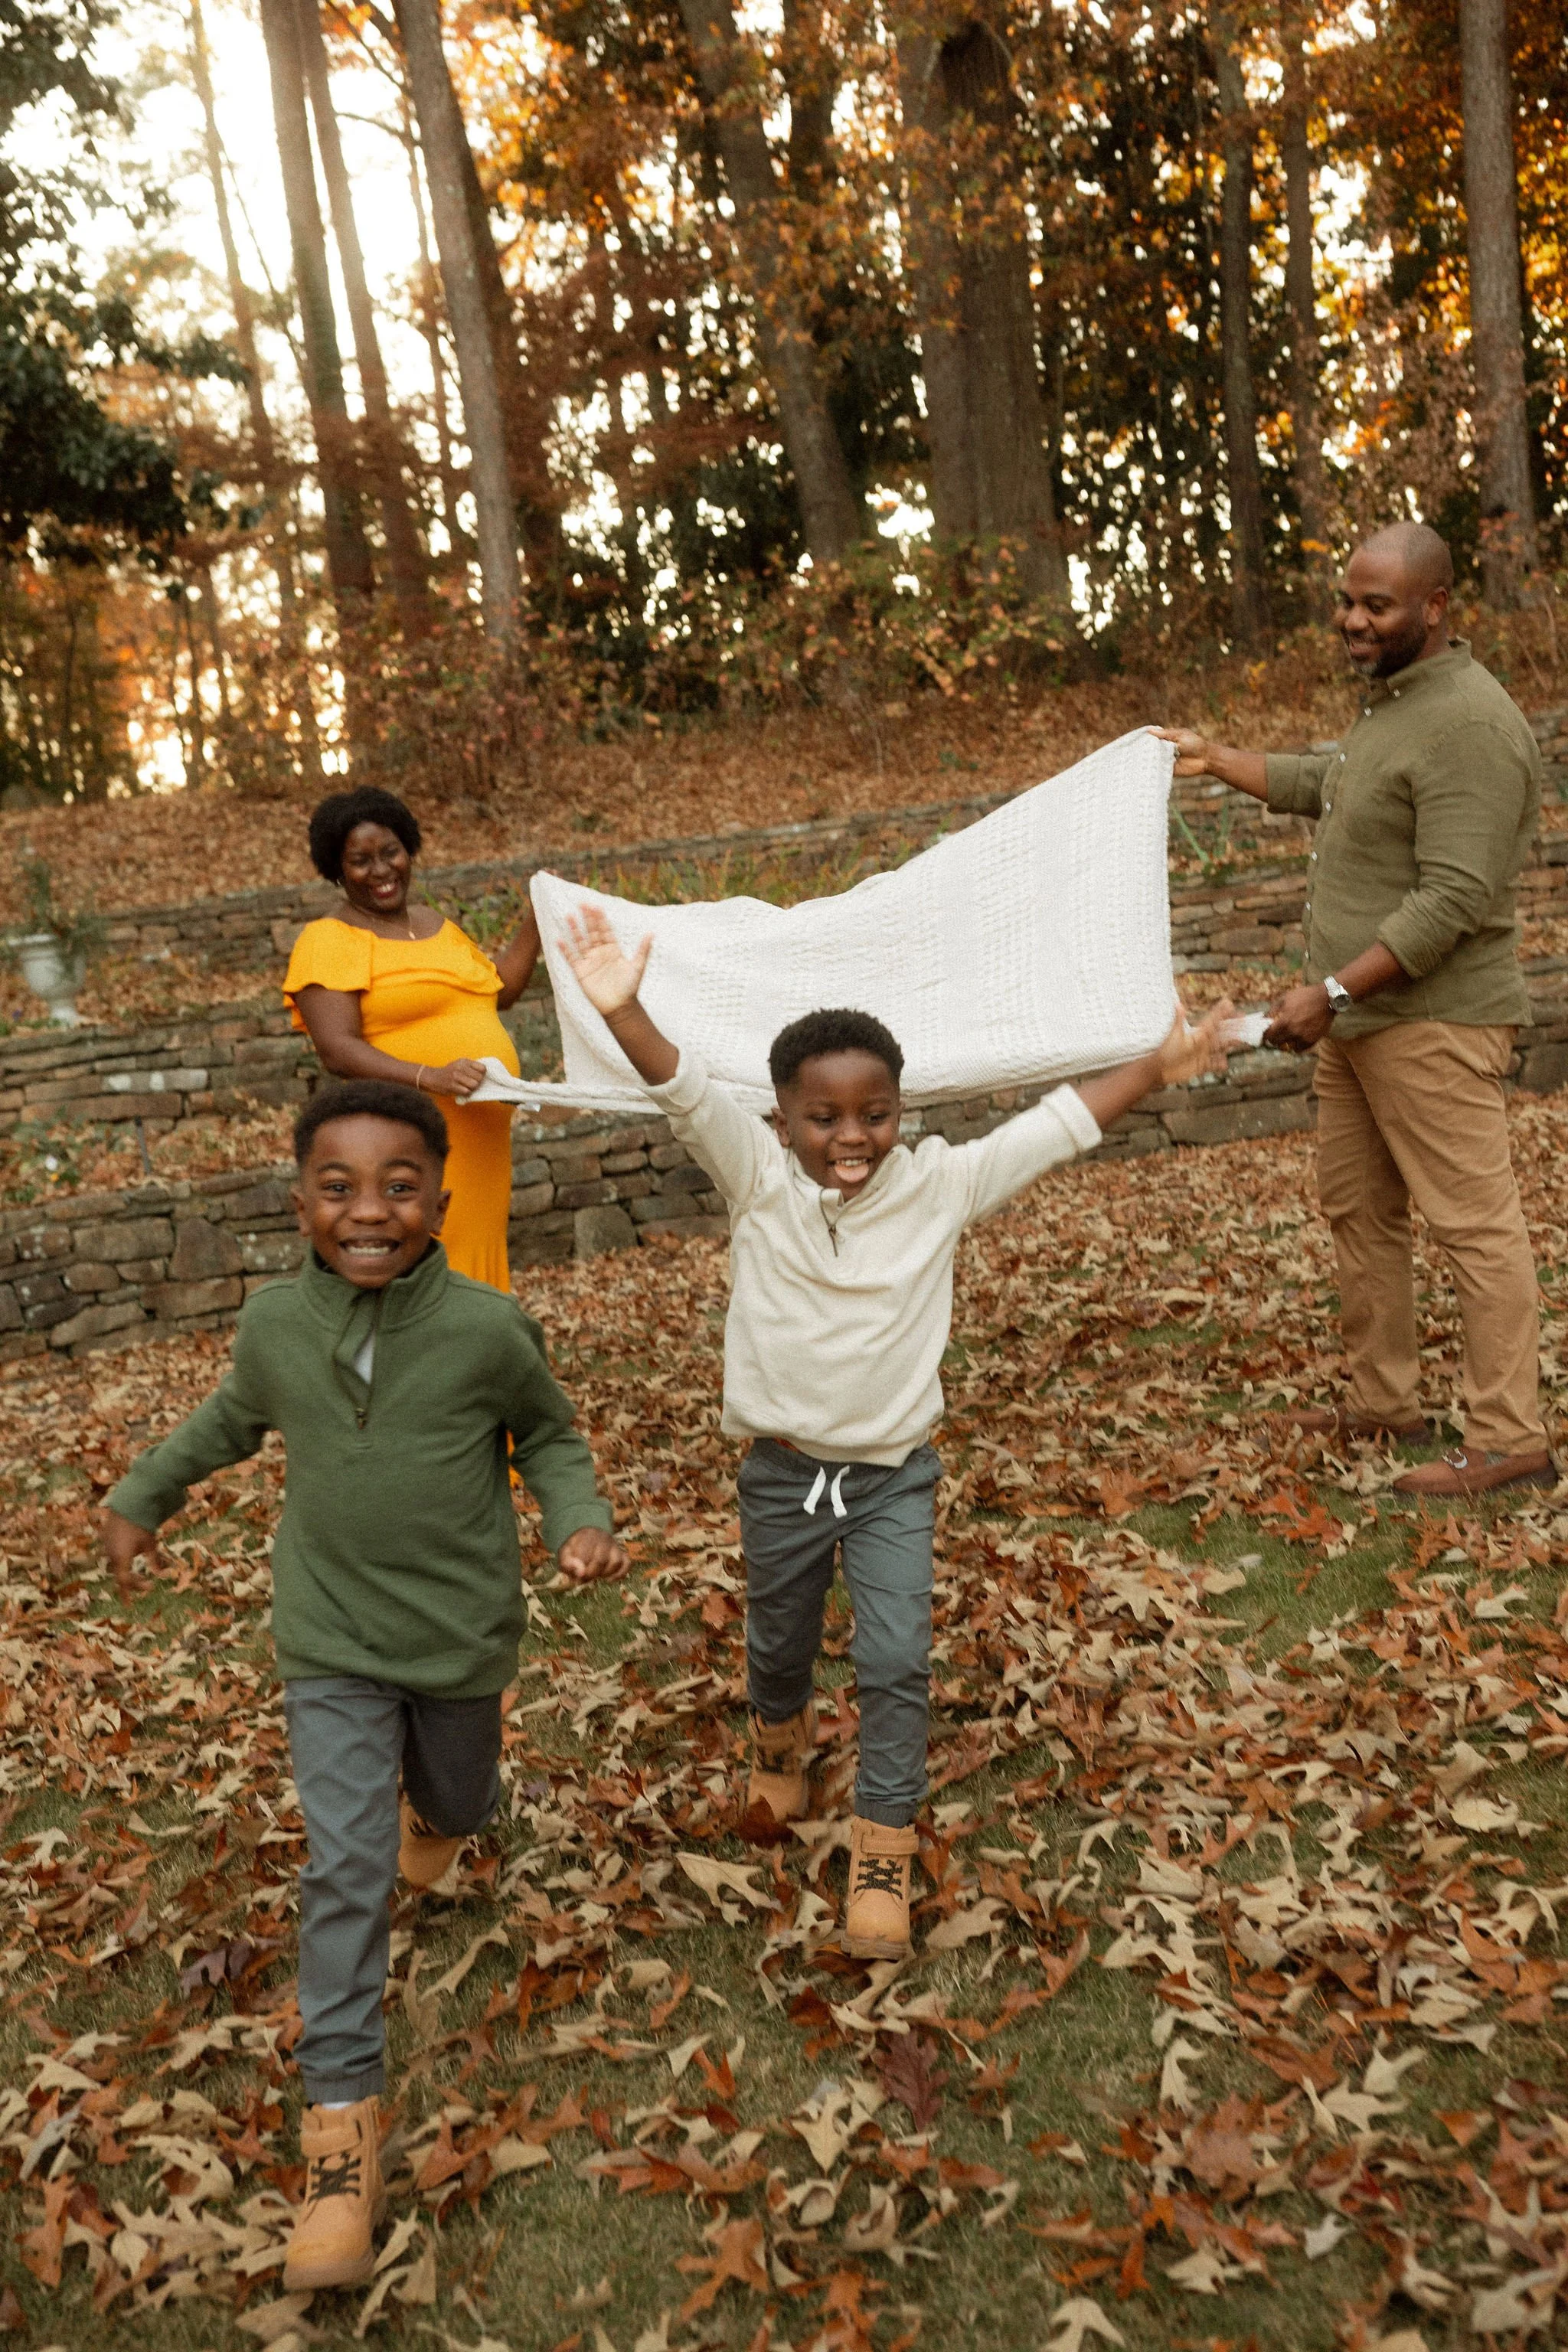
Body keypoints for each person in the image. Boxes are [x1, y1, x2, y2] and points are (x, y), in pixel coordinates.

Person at [557, 901, 1230, 1960]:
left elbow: (1054, 1127)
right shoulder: (756, 1179)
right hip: (783, 1475)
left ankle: (881, 1849)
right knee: (779, 1641)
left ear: (901, 1111)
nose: (853, 1137)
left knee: (895, 1659)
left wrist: (1156, 1065)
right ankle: (778, 1749)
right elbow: (682, 1090)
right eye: (824, 1118)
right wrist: (626, 1007)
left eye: (874, 1113)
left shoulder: (940, 1187)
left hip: (889, 1480)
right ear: (781, 1125)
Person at [102, 1080, 626, 2292]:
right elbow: (232, 1420)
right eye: (338, 1188)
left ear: (442, 1200)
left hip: (458, 1641)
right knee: (346, 1865)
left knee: (453, 1799)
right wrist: (142, 1496)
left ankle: (444, 1816)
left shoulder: (491, 1328)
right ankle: (341, 2133)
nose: (369, 1210)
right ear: (300, 1203)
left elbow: (548, 1433)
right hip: (328, 1639)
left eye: (399, 1186)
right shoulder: (276, 1326)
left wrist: (577, 1522)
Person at [1158, 521, 1553, 1498]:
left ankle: (1510, 1440)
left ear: (1435, 607)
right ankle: (1385, 1403)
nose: (1351, 619)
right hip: (1358, 1025)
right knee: (1359, 1212)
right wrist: (1216, 758)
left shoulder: (1469, 724)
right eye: (1346, 601)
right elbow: (1325, 786)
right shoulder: (1395, 704)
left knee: (1472, 1227)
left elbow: (1453, 898)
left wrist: (1330, 990)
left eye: (1375, 605)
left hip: (1432, 1024)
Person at [285, 786, 541, 1293]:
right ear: (336, 871)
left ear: (410, 850)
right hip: (413, 1142)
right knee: (435, 1275)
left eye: (390, 853)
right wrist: (433, 1076)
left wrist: (536, 924)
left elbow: (498, 992)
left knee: (476, 1272)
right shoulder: (328, 939)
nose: (380, 870)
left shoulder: (435, 925)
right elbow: (338, 1049)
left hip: (483, 1143)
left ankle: (481, 1368)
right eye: (360, 861)